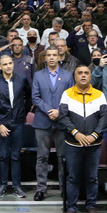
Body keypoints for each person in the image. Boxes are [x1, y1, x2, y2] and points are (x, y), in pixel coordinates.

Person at [59, 64, 107, 213]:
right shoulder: (67, 94)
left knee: (92, 177)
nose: (83, 75)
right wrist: (76, 133)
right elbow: (63, 117)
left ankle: (91, 207)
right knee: (73, 177)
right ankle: (71, 208)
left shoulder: (99, 95)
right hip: (73, 144)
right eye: (79, 73)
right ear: (75, 76)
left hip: (93, 146)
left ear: (90, 76)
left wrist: (94, 135)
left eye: (86, 73)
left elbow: (104, 118)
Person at [31, 47, 74, 201]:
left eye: (54, 55)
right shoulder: (38, 75)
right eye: (48, 55)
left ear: (59, 57)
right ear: (44, 58)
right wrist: (50, 110)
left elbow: (70, 97)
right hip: (43, 120)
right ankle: (41, 189)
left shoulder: (68, 76)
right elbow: (35, 97)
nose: (51, 58)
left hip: (62, 121)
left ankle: (64, 189)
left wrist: (59, 112)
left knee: (63, 157)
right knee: (42, 157)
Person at [0, 54, 30, 199]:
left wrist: (23, 114)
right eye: (5, 64)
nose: (8, 66)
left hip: (18, 123)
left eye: (10, 63)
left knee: (16, 156)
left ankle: (17, 186)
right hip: (2, 124)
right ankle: (3, 185)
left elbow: (28, 97)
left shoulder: (22, 79)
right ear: (0, 67)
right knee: (4, 156)